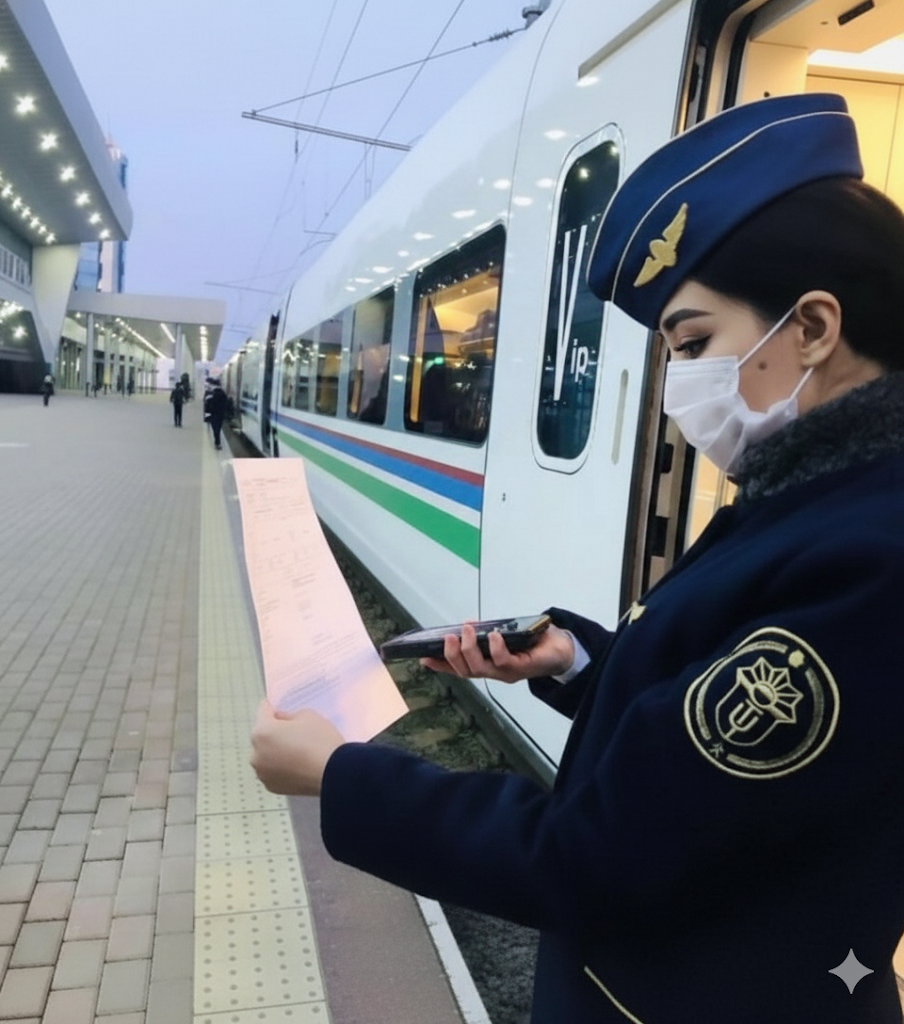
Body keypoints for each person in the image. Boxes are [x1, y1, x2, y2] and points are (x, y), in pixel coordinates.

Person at [250, 94, 904, 1023]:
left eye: (693, 343)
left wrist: (343, 776)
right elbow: (710, 752)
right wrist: (580, 660)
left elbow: (595, 856)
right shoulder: (817, 491)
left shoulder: (870, 559)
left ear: (810, 328)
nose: (679, 385)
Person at [204, 377, 229, 450]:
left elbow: (207, 406)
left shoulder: (210, 394)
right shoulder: (223, 394)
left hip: (213, 414)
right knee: (218, 428)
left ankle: (217, 442)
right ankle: (217, 442)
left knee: (215, 429)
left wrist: (206, 416)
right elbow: (226, 404)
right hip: (221, 414)